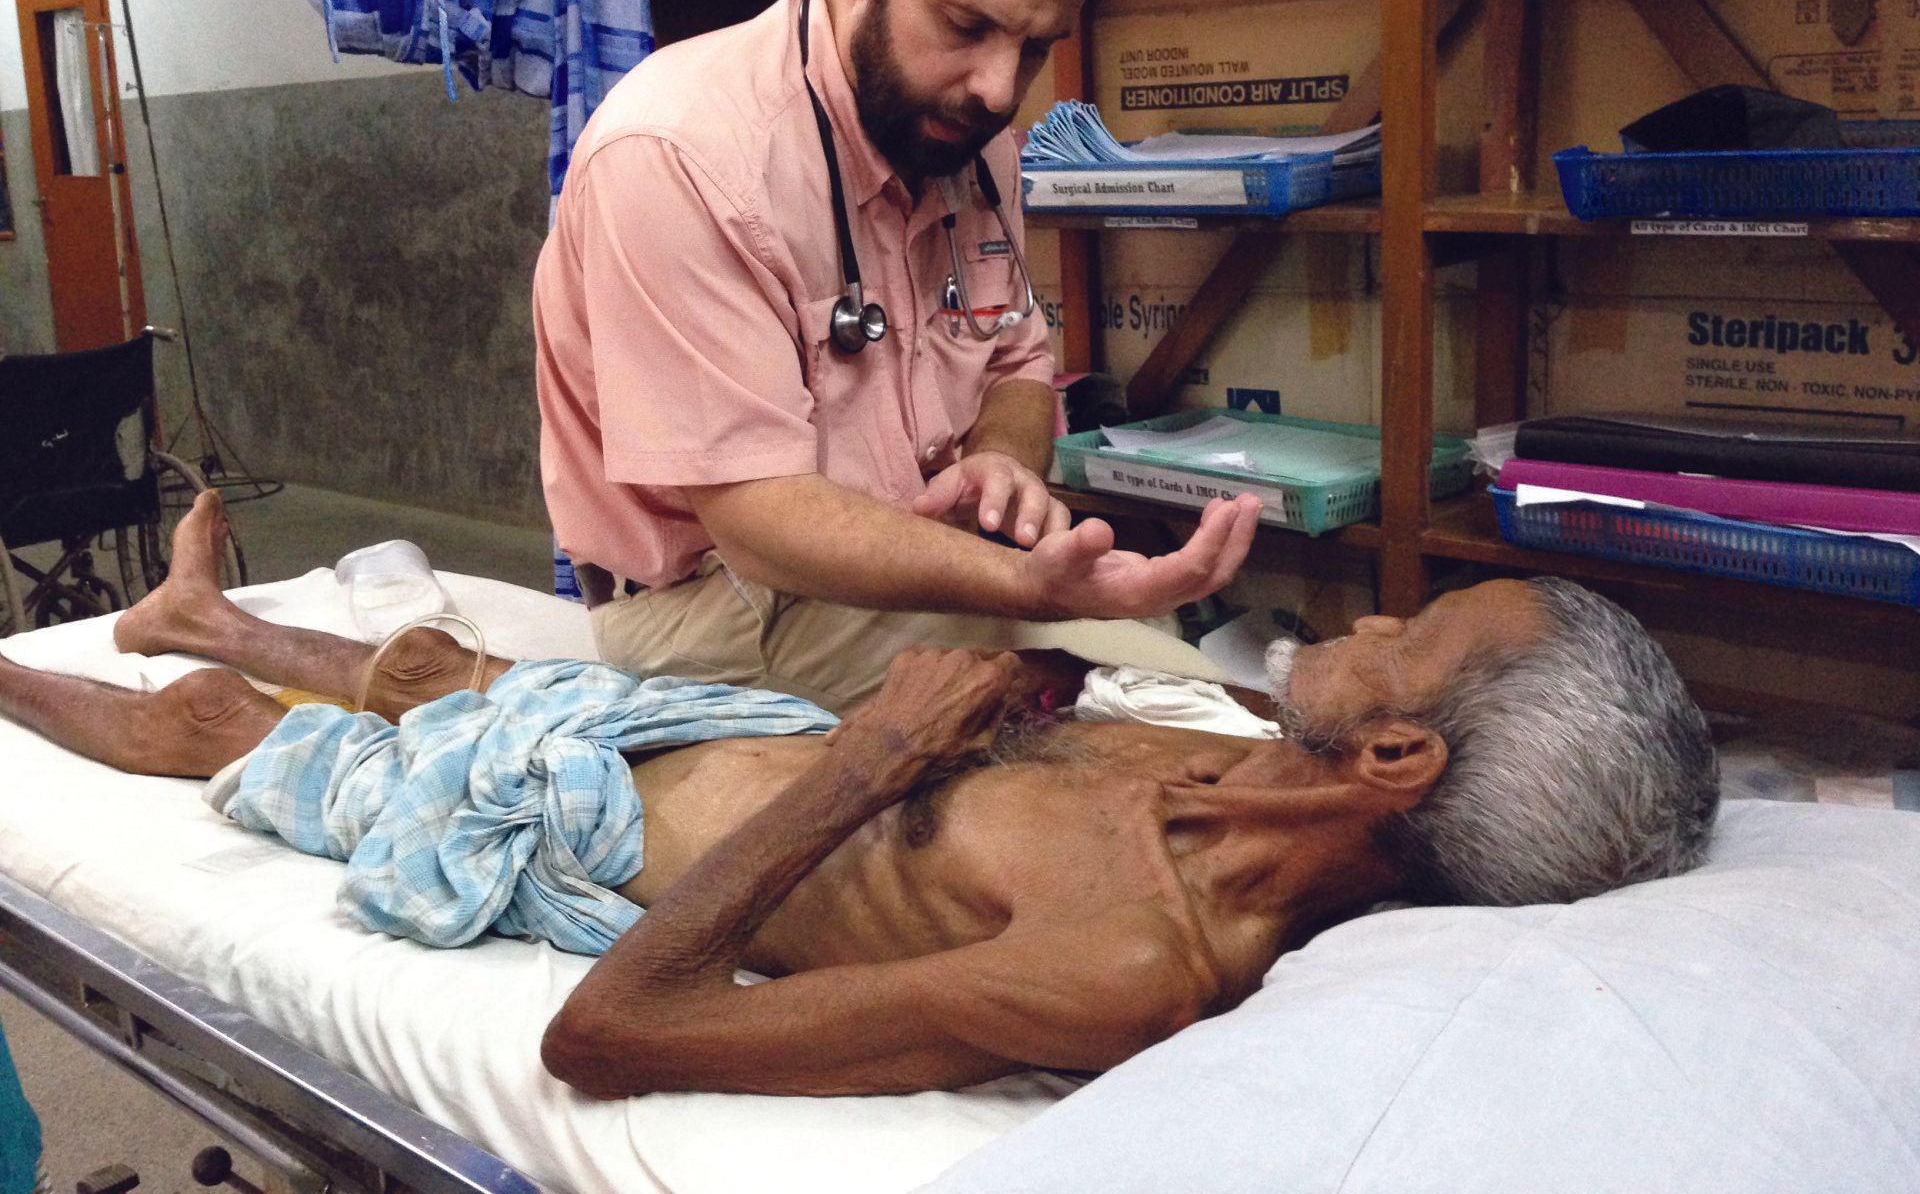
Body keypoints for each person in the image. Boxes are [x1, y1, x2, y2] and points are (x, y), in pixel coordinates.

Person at [0, 494, 1719, 1097]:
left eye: (1407, 637)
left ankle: (69, 668)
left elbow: (613, 1037)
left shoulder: (1135, 957)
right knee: (442, 663)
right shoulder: (1236, 761)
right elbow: (990, 775)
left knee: (224, 730)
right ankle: (193, 612)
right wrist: (987, 714)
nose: (1366, 614)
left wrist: (885, 762)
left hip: (583, 826)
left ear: (1399, 763)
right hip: (693, 721)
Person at [533, 0, 1263, 712]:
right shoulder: (680, 154)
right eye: (966, 25)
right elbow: (758, 519)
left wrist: (1002, 461)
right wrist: (1015, 582)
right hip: (714, 605)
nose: (1001, 90)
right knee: (1151, 702)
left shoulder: (970, 142)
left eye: (1035, 46)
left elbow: (1015, 363)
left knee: (1153, 676)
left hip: (904, 572)